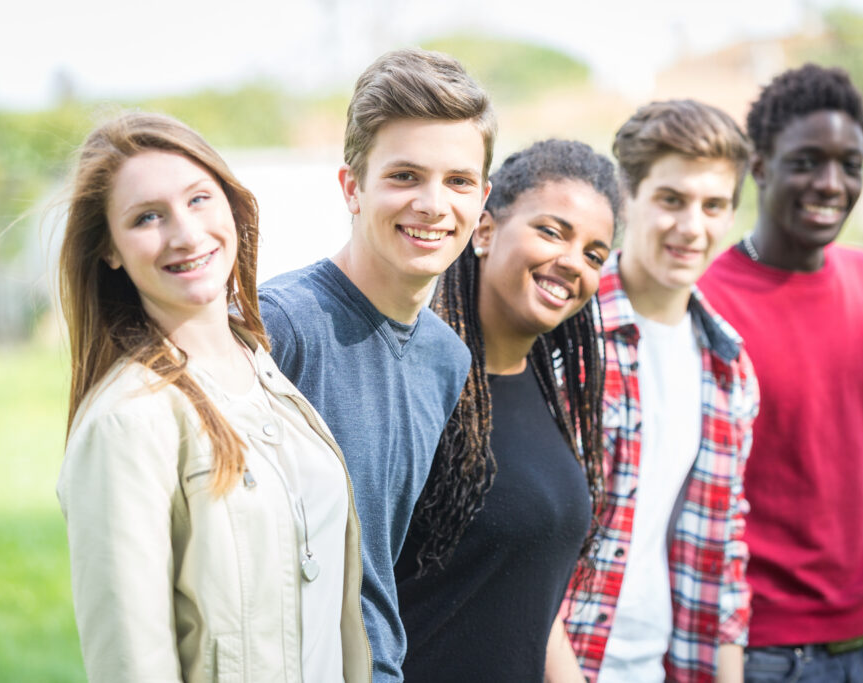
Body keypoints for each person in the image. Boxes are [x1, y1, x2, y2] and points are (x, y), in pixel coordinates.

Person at [56, 112, 370, 682]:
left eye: (198, 199)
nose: (185, 233)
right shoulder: (126, 423)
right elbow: (132, 666)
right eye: (147, 217)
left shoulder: (268, 374)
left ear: (231, 204)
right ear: (110, 251)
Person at [258, 48, 495, 682]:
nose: (433, 204)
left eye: (459, 181)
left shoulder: (447, 358)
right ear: (352, 188)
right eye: (404, 176)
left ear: (482, 200)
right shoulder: (279, 325)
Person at [698, 64, 863, 682]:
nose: (831, 184)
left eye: (850, 164)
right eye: (807, 161)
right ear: (759, 165)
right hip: (761, 651)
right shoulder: (706, 305)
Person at [394, 138, 619, 682]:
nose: (572, 262)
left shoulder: (551, 392)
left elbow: (532, 600)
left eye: (593, 254)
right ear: (486, 231)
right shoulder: (411, 384)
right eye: (551, 231)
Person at [559, 100, 760, 683]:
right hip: (563, 660)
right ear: (628, 197)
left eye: (714, 205)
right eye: (672, 200)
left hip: (666, 664)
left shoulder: (729, 365)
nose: (692, 227)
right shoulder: (570, 336)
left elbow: (724, 548)